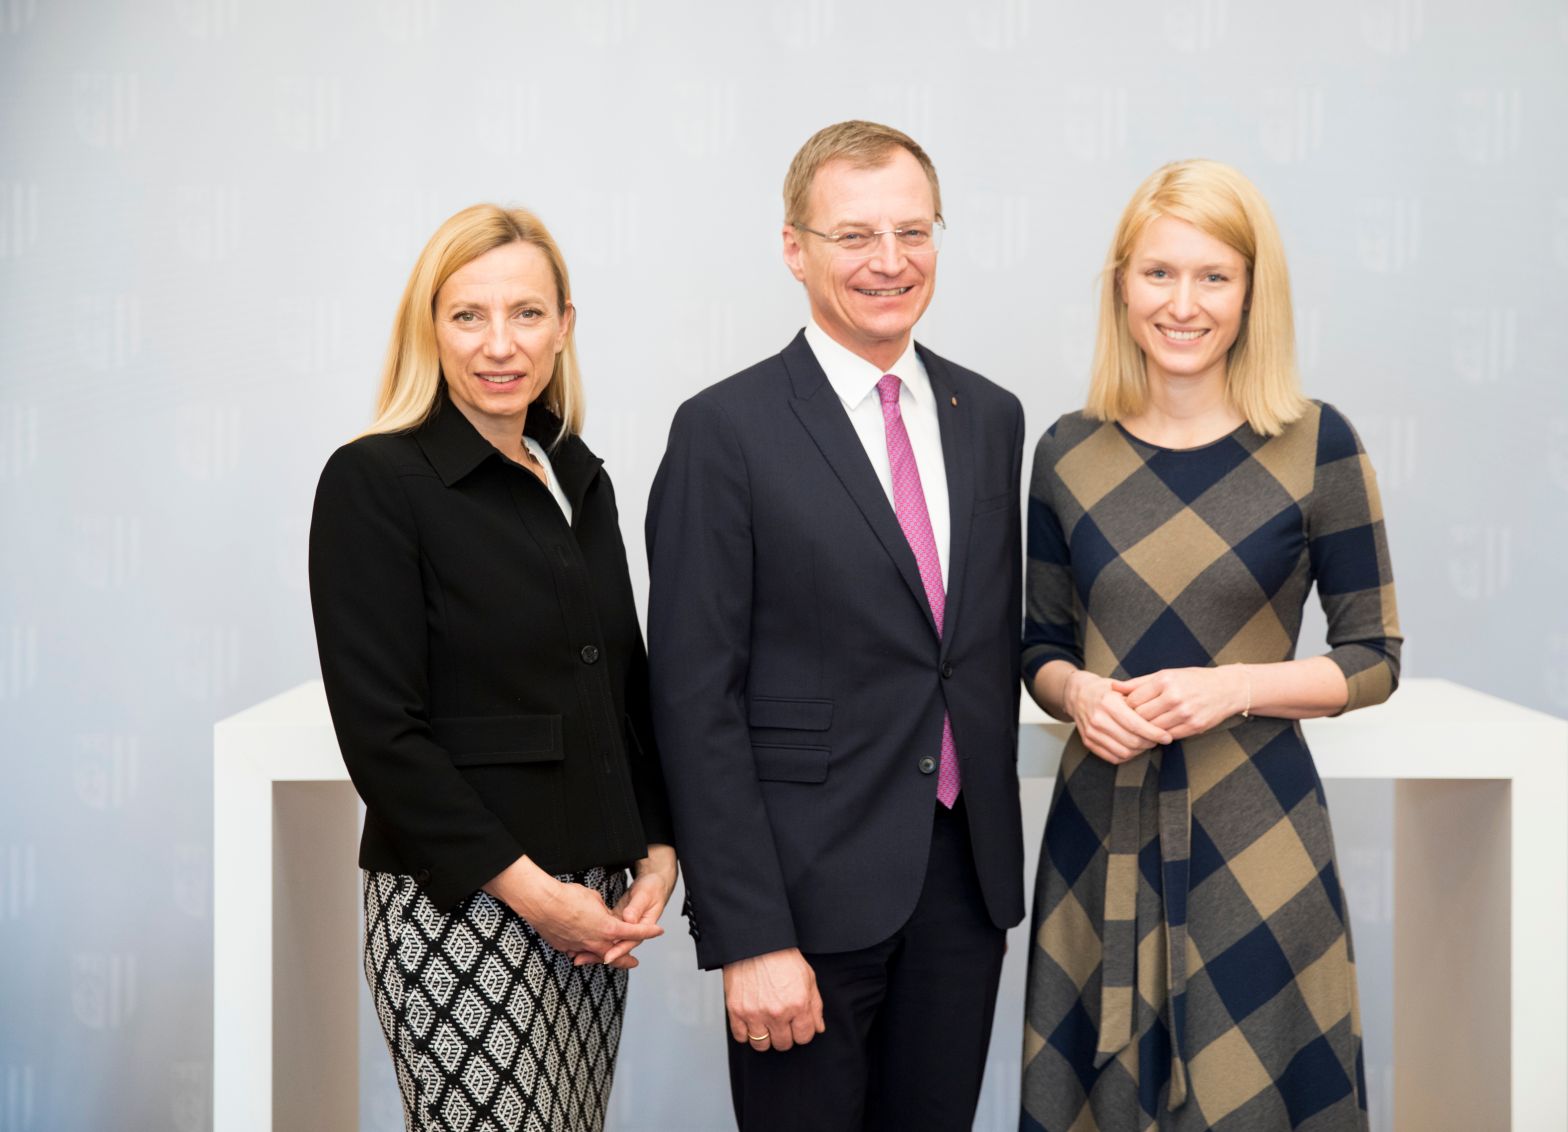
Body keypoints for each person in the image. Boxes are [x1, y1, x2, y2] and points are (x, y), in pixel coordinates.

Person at [645, 120, 1026, 1131]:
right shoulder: (722, 431)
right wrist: (748, 933)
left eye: (912, 231)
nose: (888, 262)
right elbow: (692, 700)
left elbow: (974, 648)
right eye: (853, 236)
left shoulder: (989, 418)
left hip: (961, 881)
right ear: (793, 248)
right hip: (800, 898)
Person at [1019, 160, 1402, 1131]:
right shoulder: (1066, 451)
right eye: (1157, 274)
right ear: (1119, 283)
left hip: (1256, 828)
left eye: (1211, 276)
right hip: (1097, 824)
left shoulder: (1317, 444)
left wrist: (1233, 685)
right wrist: (1078, 696)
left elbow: (1372, 655)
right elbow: (1037, 643)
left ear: (1249, 292)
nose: (1181, 303)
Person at [308, 204, 676, 1132]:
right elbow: (383, 738)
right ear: (428, 327)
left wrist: (661, 847)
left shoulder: (575, 474)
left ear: (565, 325)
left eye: (527, 313)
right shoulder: (373, 482)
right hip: (459, 909)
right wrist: (533, 895)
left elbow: (621, 684)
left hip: (590, 908)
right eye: (468, 314)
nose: (499, 345)